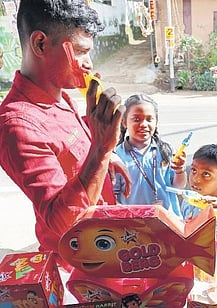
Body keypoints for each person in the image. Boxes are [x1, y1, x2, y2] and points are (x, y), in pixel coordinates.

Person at [0, 0, 129, 260]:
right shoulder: (17, 124)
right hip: (77, 265)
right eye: (81, 51)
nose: (88, 63)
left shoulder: (60, 96)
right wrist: (101, 150)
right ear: (40, 44)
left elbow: (72, 150)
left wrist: (106, 158)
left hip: (104, 242)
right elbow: (64, 223)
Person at [114, 93, 187, 216]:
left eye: (149, 119)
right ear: (124, 122)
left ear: (156, 122)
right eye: (136, 119)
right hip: (135, 225)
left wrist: (180, 170)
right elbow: (113, 196)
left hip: (168, 222)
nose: (143, 124)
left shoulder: (166, 150)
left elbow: (178, 187)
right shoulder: (117, 155)